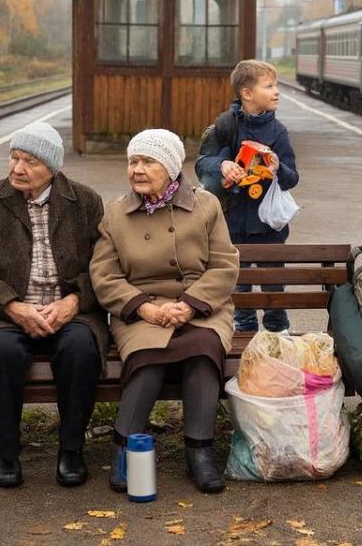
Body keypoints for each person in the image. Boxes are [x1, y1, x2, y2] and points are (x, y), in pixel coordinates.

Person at [0, 122, 107, 488]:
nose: (18, 169)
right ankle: (5, 453)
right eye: (14, 157)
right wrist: (11, 305)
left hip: (69, 312)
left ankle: (71, 451)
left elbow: (104, 267)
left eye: (30, 161)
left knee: (80, 348)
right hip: (2, 316)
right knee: (2, 351)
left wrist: (74, 300)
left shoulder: (85, 202)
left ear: (52, 167)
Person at [90, 129, 239, 494]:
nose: (137, 170)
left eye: (147, 162)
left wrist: (189, 305)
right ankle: (124, 447)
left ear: (171, 168)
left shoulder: (206, 206)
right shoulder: (116, 214)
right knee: (149, 356)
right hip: (142, 311)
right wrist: (144, 309)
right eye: (133, 162)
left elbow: (224, 265)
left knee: (204, 351)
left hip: (202, 307)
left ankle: (199, 452)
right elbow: (104, 274)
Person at [194, 59, 298, 332]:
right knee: (239, 282)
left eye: (276, 85)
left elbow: (292, 179)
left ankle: (277, 329)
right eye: (269, 86)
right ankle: (245, 328)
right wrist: (222, 165)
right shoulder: (224, 125)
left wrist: (277, 167)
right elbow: (202, 163)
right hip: (231, 222)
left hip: (269, 227)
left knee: (273, 281)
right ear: (247, 94)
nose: (277, 91)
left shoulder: (279, 132)